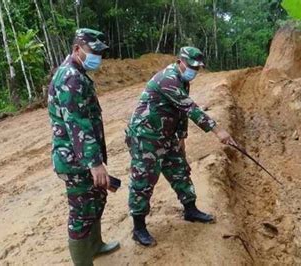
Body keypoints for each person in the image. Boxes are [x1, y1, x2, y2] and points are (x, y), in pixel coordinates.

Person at [125, 46, 239, 246]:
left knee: (180, 171)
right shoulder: (168, 79)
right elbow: (190, 107)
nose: (194, 70)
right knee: (143, 181)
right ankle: (139, 228)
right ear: (180, 62)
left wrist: (181, 138)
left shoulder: (183, 80)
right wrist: (218, 130)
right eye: (192, 66)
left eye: (198, 67)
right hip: (146, 137)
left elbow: (180, 113)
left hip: (167, 135)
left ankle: (190, 210)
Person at [47, 28, 119, 265]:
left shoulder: (77, 72)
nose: (97, 57)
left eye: (100, 52)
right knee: (81, 213)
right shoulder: (71, 78)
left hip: (85, 157)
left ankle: (95, 245)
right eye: (93, 51)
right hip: (76, 161)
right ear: (77, 49)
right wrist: (95, 163)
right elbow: (77, 124)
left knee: (96, 199)